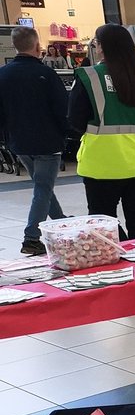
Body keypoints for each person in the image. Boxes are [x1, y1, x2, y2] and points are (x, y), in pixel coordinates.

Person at [68, 24, 135, 240]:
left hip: (102, 165)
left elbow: (75, 120)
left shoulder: (89, 77)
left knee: (103, 224)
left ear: (101, 48)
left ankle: (120, 263)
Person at [0, 27, 70, 255]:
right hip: (47, 141)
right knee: (43, 187)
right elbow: (62, 108)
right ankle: (31, 238)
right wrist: (65, 134)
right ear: (38, 46)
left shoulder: (3, 74)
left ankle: (60, 223)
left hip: (19, 141)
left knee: (43, 186)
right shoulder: (47, 75)